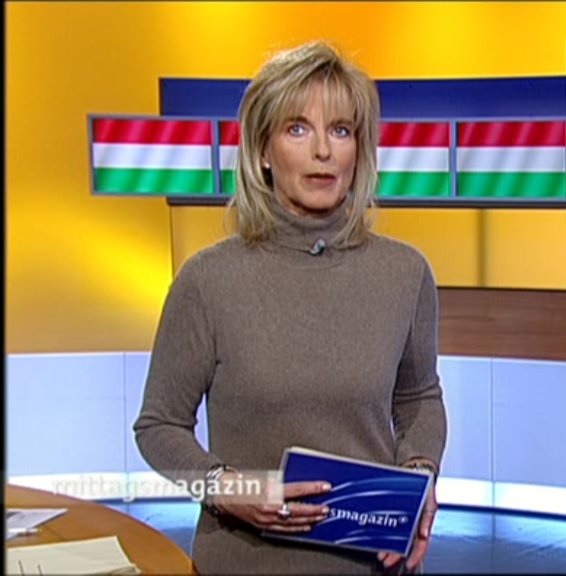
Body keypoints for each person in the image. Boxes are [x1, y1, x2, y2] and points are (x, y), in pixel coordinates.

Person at [134, 41, 447, 574]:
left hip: (371, 562)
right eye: (297, 129)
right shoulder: (207, 281)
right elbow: (159, 426)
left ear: (359, 150)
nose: (323, 150)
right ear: (262, 150)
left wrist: (421, 475)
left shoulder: (405, 273)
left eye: (341, 130)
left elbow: (419, 396)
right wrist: (230, 489)